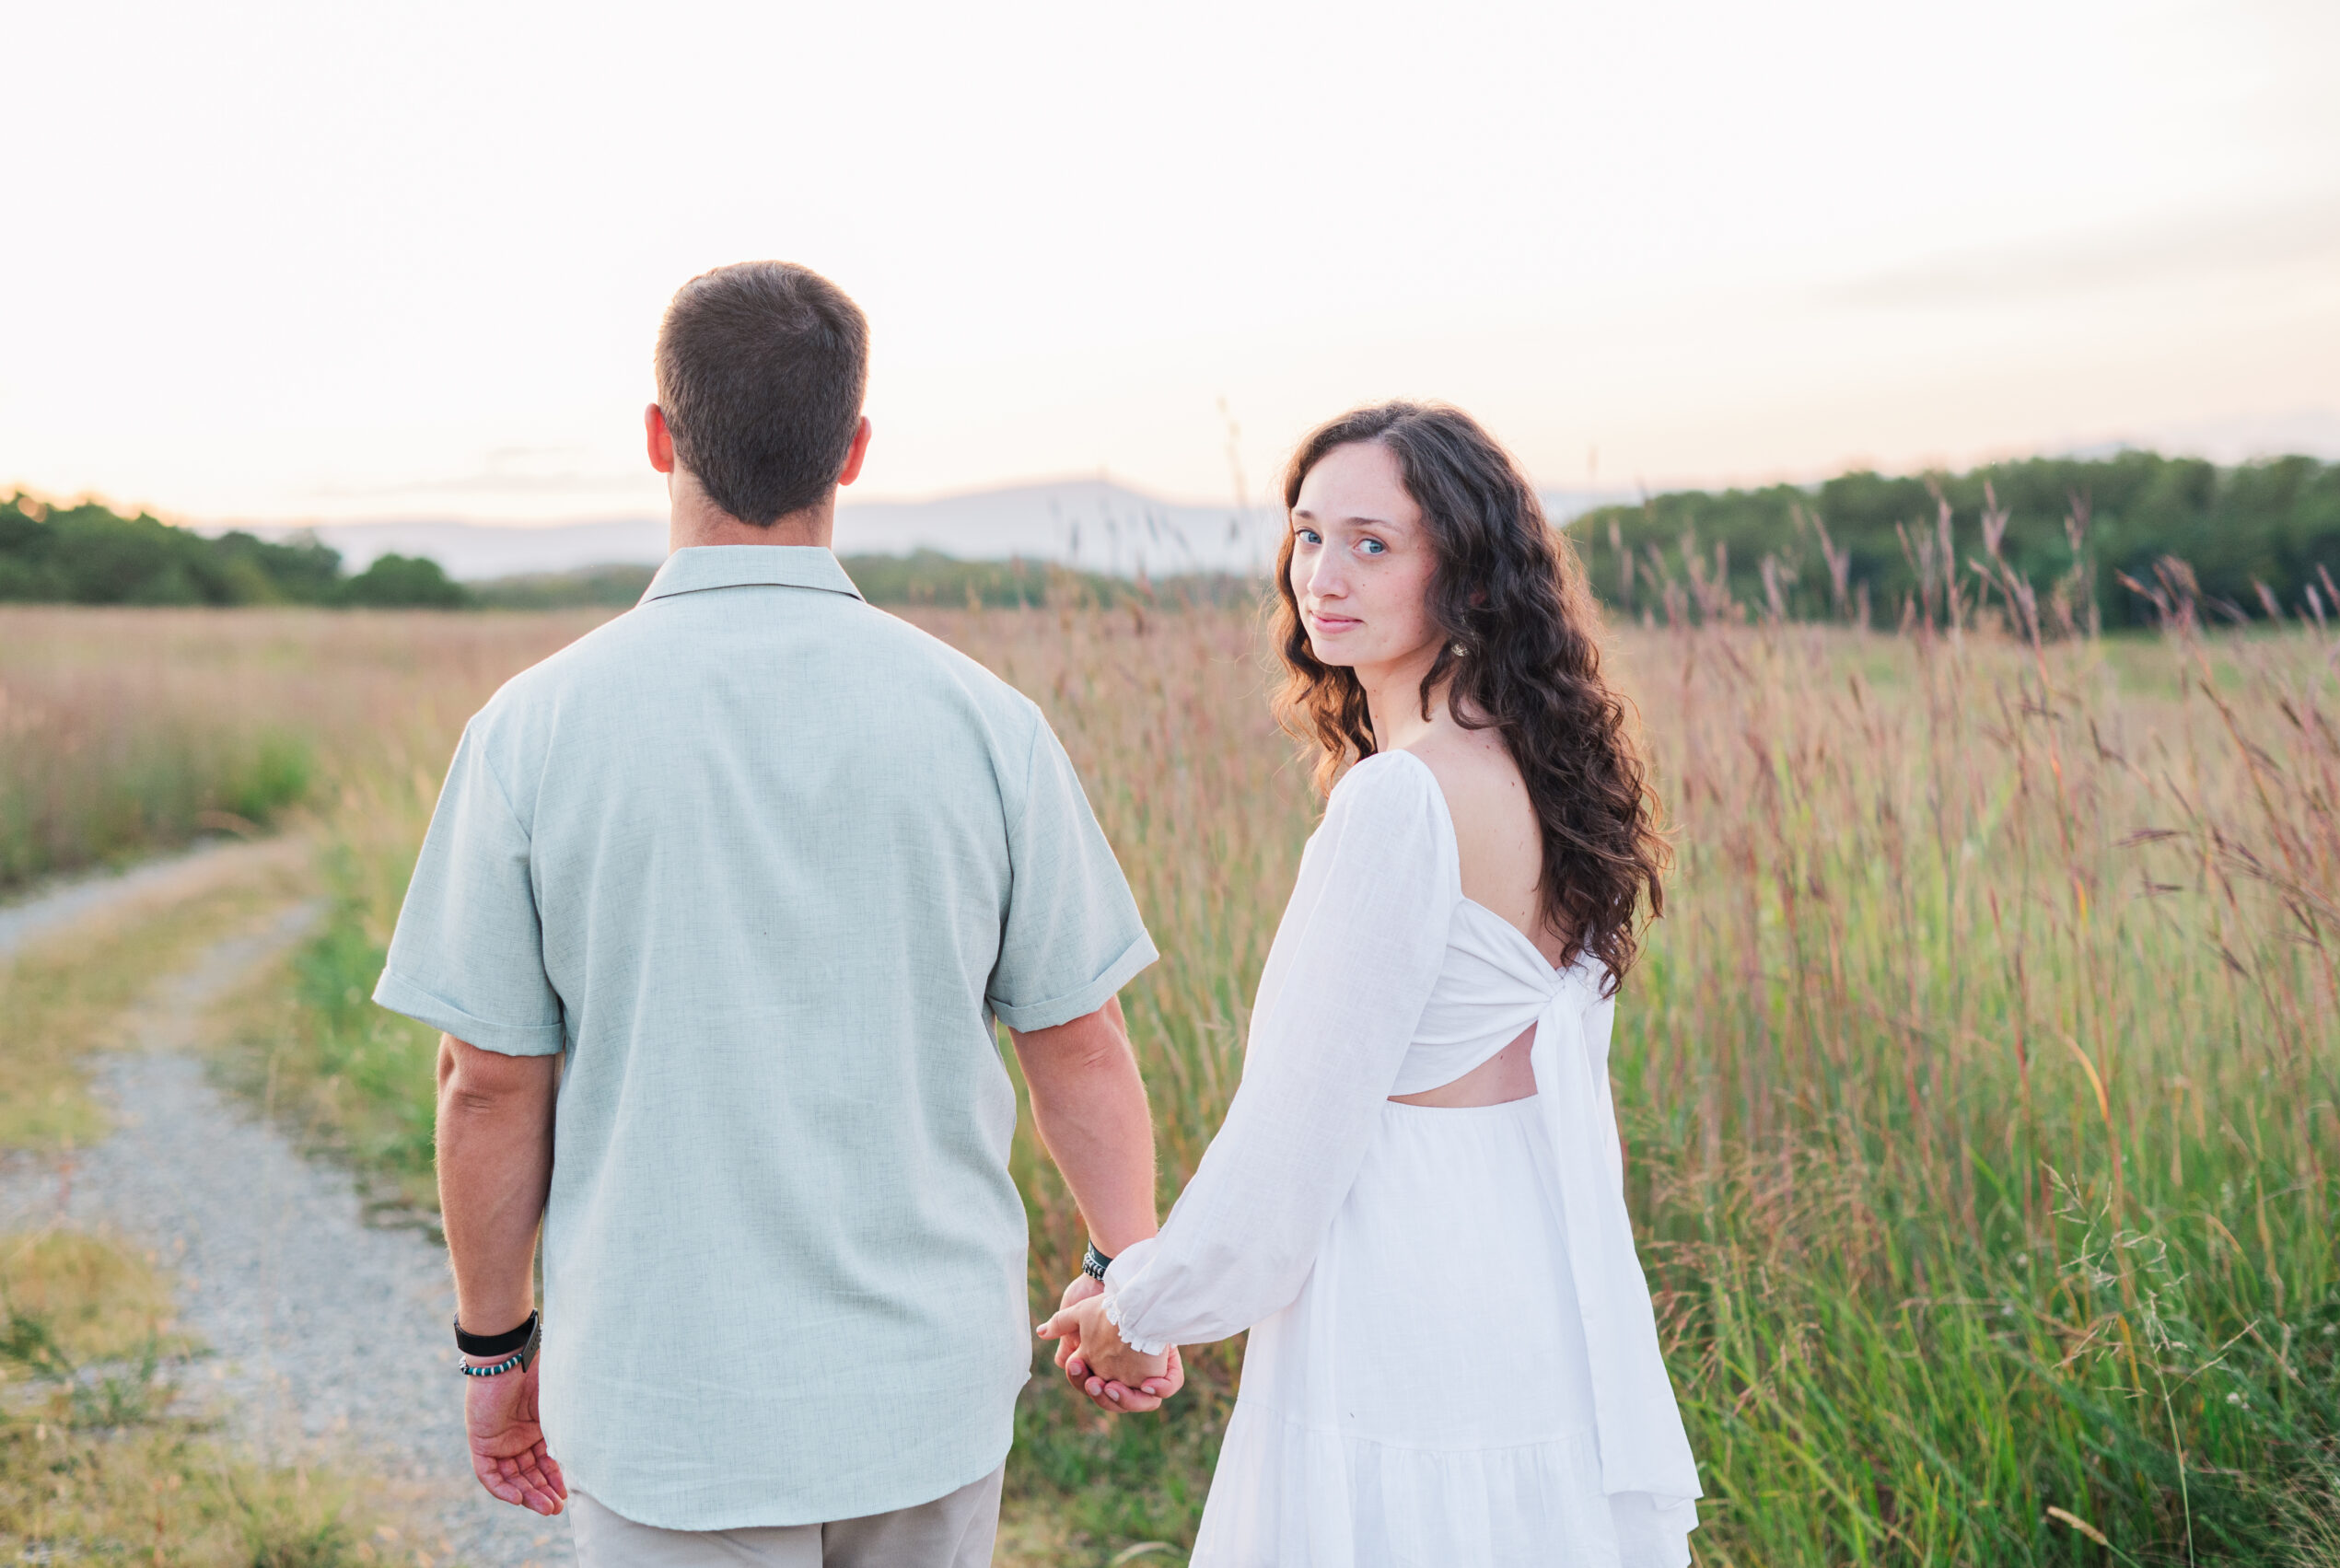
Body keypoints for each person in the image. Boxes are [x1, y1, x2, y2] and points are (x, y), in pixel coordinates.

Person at [375, 260, 1181, 1566]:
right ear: (853, 450)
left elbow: (485, 1082)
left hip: (662, 1397)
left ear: (658, 437)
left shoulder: (532, 730)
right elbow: (1078, 1040)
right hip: (925, 1392)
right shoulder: (986, 724)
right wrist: (1124, 1273)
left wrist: (496, 1348)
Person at [1042, 402, 1703, 1565]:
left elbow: (1292, 1144)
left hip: (1405, 1298)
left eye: (1372, 542)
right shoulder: (1541, 771)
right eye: (1305, 535)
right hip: (1533, 1284)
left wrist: (1136, 1307)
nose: (1320, 576)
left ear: (1473, 575)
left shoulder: (1401, 798)